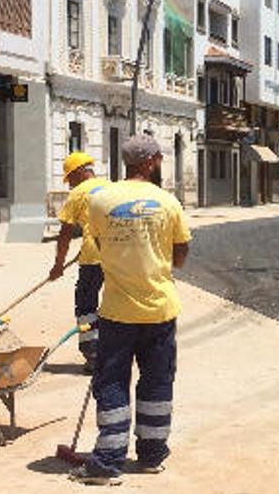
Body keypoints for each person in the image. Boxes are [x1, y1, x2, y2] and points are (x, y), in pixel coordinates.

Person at [69, 134, 192, 486]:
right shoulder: (168, 202)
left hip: (117, 311)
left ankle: (108, 461)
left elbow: (98, 245)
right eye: (160, 159)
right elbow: (180, 257)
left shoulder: (101, 200)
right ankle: (152, 456)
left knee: (111, 383)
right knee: (157, 381)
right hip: (160, 310)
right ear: (151, 161)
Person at [49, 151, 110, 373]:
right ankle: (116, 353)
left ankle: (93, 354)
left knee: (86, 305)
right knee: (115, 304)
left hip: (93, 258)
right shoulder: (111, 187)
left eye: (70, 178)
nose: (69, 184)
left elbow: (64, 234)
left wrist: (58, 265)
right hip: (119, 255)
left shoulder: (77, 194)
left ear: (79, 172)